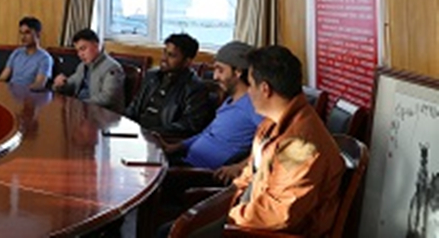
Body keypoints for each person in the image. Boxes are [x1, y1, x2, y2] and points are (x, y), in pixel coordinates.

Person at [227, 45, 344, 235]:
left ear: (265, 89)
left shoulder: (300, 144)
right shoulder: (271, 122)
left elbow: (277, 212)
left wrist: (230, 217)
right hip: (248, 220)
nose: (248, 92)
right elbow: (250, 175)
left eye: (251, 85)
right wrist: (222, 206)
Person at [159, 40, 263, 169]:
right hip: (185, 160)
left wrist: (239, 167)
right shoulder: (229, 101)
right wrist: (176, 146)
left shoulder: (253, 105)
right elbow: (208, 133)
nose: (215, 77)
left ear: (237, 72)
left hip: (200, 173)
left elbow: (271, 146)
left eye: (220, 70)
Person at [125, 32, 214, 138]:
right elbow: (133, 108)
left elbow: (188, 125)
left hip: (162, 138)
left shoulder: (195, 88)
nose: (164, 58)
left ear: (187, 62)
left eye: (171, 55)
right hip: (137, 133)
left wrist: (152, 133)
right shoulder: (151, 76)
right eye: (164, 52)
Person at [51, 28, 126, 113]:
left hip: (104, 115)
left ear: (96, 45)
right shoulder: (82, 66)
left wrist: (80, 103)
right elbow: (71, 84)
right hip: (82, 111)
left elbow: (108, 98)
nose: (80, 54)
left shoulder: (112, 68)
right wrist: (61, 85)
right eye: (78, 51)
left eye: (83, 49)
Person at [0, 16, 53, 89]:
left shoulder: (45, 58)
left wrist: (21, 91)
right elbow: (3, 78)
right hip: (10, 92)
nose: (23, 37)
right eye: (21, 33)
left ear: (38, 34)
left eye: (27, 33)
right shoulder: (17, 53)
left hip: (29, 94)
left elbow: (39, 85)